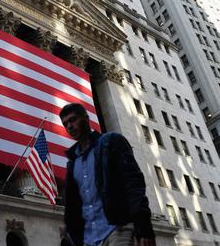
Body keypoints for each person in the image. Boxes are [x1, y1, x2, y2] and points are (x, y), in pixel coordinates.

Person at [60, 103, 156, 246]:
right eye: (65, 124)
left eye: (73, 120)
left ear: (86, 118)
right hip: (88, 238)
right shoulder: (73, 163)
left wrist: (143, 225)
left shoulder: (111, 142)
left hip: (118, 229)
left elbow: (133, 184)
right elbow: (74, 205)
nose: (69, 126)